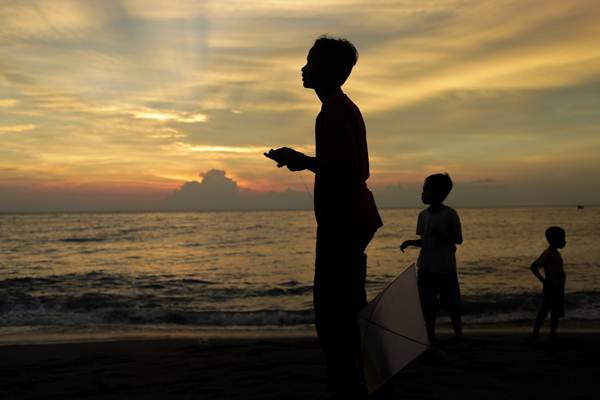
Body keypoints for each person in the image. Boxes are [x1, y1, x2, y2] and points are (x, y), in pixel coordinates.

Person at [265, 35, 382, 397]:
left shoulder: (334, 110)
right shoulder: (340, 107)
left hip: (344, 220)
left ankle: (349, 382)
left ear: (330, 70)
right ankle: (358, 376)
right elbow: (353, 168)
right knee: (346, 307)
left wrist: (302, 161)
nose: (303, 68)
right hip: (351, 217)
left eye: (311, 61)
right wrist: (306, 161)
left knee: (333, 314)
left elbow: (350, 169)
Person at [400, 173, 463, 344]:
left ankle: (459, 337)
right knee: (428, 307)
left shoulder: (450, 214)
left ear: (440, 193)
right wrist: (410, 242)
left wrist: (441, 235)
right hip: (426, 268)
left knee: (452, 306)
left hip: (445, 269)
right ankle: (430, 338)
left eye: (426, 190)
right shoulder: (423, 215)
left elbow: (458, 240)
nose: (422, 193)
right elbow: (425, 240)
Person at [530, 226, 567, 341]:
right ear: (554, 240)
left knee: (554, 313)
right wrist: (544, 281)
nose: (564, 241)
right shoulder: (547, 253)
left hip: (557, 288)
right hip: (551, 288)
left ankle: (552, 335)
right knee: (544, 311)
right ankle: (536, 334)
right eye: (562, 239)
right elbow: (533, 266)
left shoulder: (555, 253)